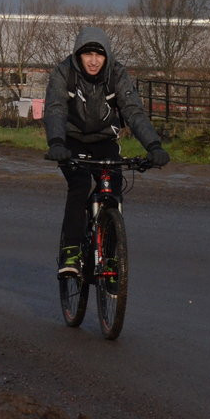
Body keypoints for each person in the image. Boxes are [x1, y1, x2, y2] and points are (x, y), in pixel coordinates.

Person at [43, 26, 170, 277]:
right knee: (79, 185)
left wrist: (154, 146)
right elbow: (55, 108)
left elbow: (133, 111)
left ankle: (111, 258)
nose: (93, 60)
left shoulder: (117, 74)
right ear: (78, 54)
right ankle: (71, 251)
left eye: (99, 55)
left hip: (105, 139)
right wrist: (56, 143)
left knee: (111, 188)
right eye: (87, 54)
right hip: (71, 141)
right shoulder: (63, 72)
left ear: (107, 56)